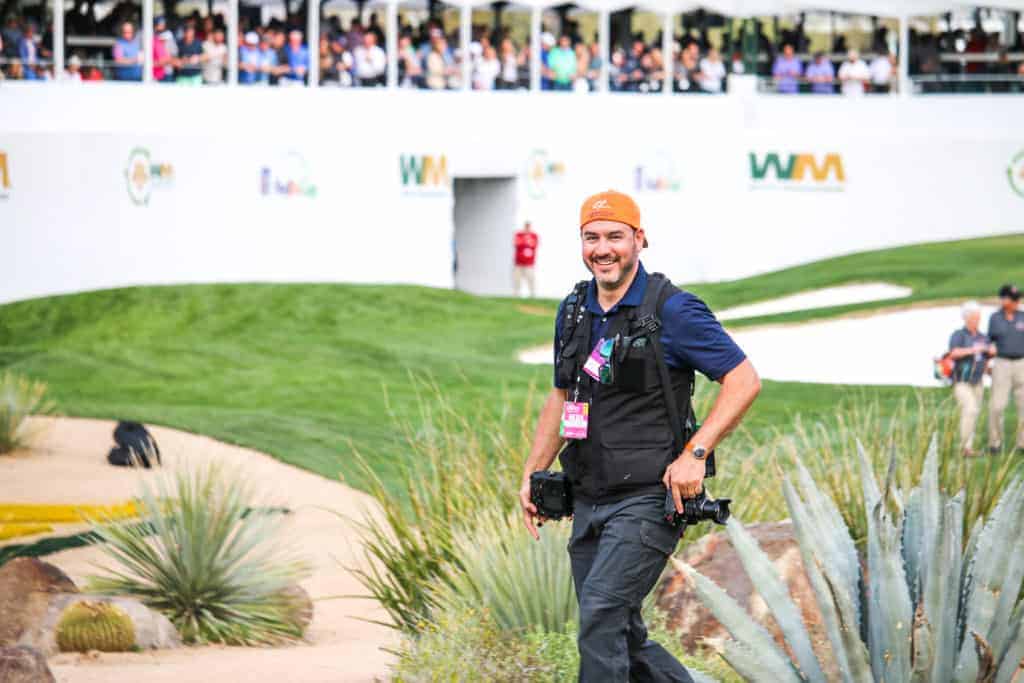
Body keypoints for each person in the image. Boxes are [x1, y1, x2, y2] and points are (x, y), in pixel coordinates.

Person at [518, 189, 760, 682]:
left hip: (650, 499)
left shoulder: (673, 310)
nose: (602, 249)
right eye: (591, 237)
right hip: (588, 497)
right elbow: (563, 395)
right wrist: (534, 471)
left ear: (640, 239)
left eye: (615, 236)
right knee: (622, 633)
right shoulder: (574, 311)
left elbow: (743, 380)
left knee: (601, 617)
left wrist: (696, 454)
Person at [949, 301, 995, 457]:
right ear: (966, 318)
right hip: (961, 381)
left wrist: (990, 367)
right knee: (970, 409)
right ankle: (964, 448)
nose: (977, 320)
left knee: (973, 414)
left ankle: (968, 446)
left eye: (978, 317)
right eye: (974, 317)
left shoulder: (984, 337)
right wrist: (972, 350)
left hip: (978, 381)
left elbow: (986, 357)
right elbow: (953, 353)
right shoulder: (959, 335)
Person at [988, 284, 1024, 454]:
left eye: (1017, 299)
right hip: (1002, 363)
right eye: (1013, 299)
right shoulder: (995, 318)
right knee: (997, 405)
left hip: (1021, 363)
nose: (1016, 302)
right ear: (1004, 300)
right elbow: (990, 341)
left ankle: (1022, 443)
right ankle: (995, 443)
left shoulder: (1022, 317)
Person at [513, 221, 539, 298]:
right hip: (519, 263)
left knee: (531, 280)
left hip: (529, 263)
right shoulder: (519, 234)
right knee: (517, 280)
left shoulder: (534, 235)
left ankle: (532, 295)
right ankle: (516, 295)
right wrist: (526, 241)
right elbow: (517, 243)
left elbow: (534, 244)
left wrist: (526, 241)